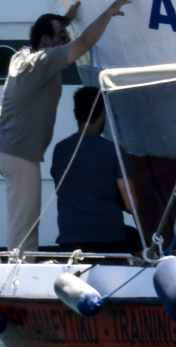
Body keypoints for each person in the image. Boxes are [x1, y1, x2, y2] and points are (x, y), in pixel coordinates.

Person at [0, 0, 133, 253]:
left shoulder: (23, 55)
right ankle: (17, 275)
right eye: (62, 34)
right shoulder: (43, 61)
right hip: (18, 154)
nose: (67, 38)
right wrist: (108, 11)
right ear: (45, 41)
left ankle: (18, 267)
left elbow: (50, 31)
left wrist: (67, 17)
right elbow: (85, 42)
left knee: (22, 217)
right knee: (25, 226)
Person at [50, 86, 143, 255]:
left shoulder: (60, 149)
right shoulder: (112, 149)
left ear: (75, 114)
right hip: (109, 239)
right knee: (139, 242)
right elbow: (131, 206)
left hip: (69, 240)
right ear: (102, 113)